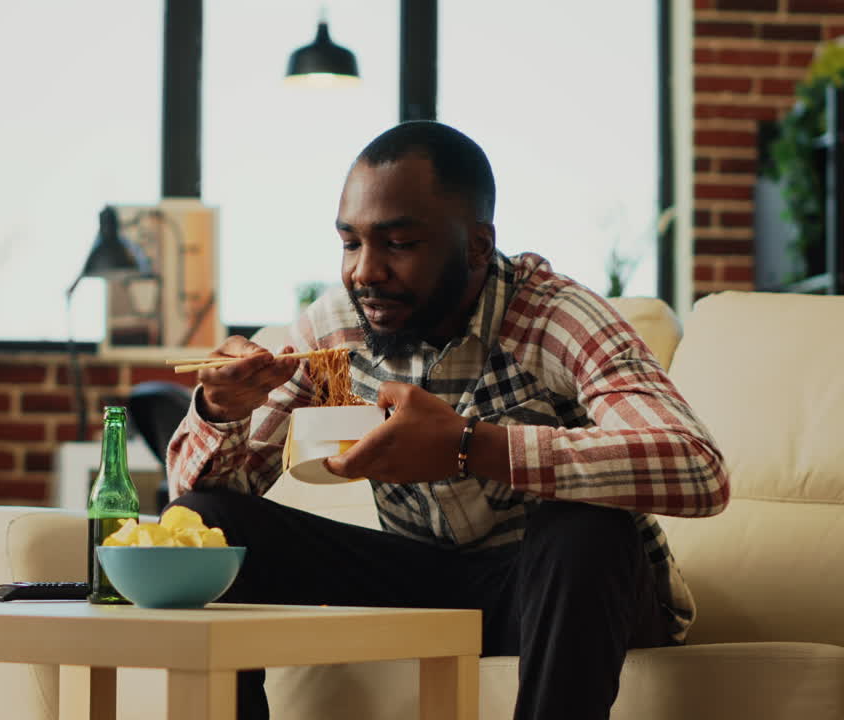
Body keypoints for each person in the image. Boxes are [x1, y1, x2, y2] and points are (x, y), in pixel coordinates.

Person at [164, 120, 729, 720]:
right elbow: (200, 514)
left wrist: (471, 446)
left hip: (561, 590)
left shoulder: (553, 316)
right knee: (208, 522)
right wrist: (222, 411)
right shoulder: (336, 328)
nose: (364, 272)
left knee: (584, 525)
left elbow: (698, 467)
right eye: (351, 243)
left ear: (478, 246)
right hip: (423, 589)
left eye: (399, 244)